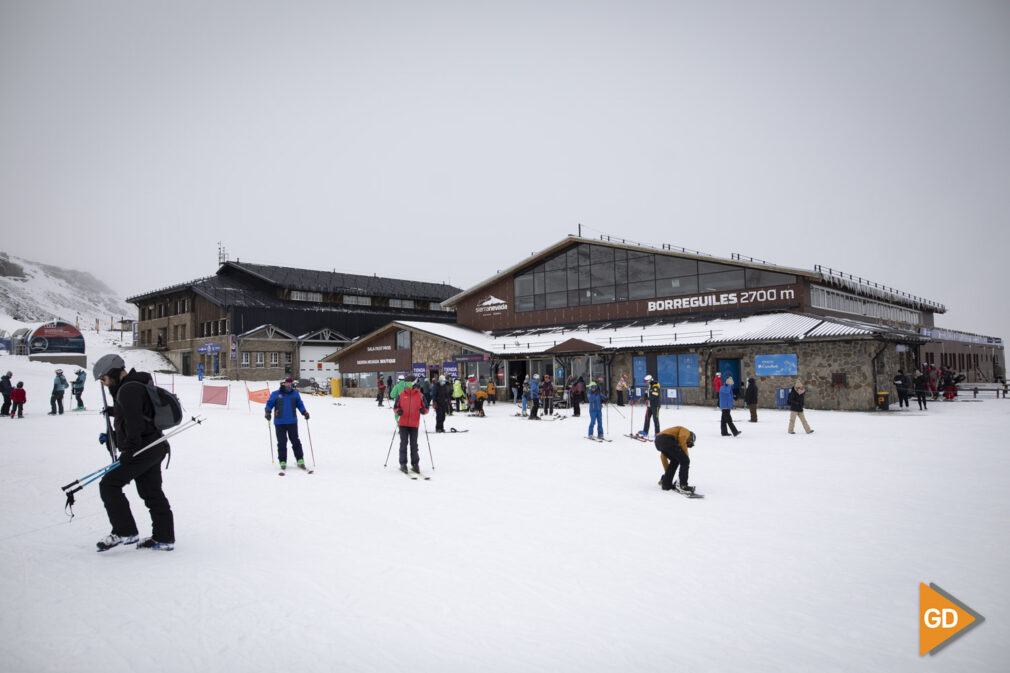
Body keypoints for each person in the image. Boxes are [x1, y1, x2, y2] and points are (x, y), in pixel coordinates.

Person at [93, 353, 175, 551]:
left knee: (109, 484)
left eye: (104, 379)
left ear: (112, 373)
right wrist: (115, 411)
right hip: (155, 446)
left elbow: (134, 422)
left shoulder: (128, 390)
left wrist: (129, 450)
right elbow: (138, 412)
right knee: (152, 492)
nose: (104, 384)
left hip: (142, 449)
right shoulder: (135, 385)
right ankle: (163, 537)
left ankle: (124, 530)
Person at [265, 377, 310, 470]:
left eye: (290, 383)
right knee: (282, 442)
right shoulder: (276, 394)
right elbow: (269, 404)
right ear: (283, 384)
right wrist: (268, 412)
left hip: (292, 422)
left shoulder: (295, 394)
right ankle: (282, 461)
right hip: (279, 422)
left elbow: (300, 404)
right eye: (287, 383)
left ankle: (300, 459)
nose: (289, 385)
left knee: (295, 441)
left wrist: (304, 412)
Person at [395, 378, 428, 474]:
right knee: (403, 443)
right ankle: (403, 463)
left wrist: (423, 410)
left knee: (414, 444)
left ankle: (415, 464)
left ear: (413, 384)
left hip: (414, 423)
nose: (406, 385)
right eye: (405, 383)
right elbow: (395, 407)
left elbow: (426, 407)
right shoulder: (401, 395)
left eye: (408, 383)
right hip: (403, 423)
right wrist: (398, 411)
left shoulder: (420, 395)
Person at [655, 426, 696, 494]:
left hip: (658, 441)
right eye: (688, 444)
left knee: (675, 460)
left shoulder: (674, 438)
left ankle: (666, 484)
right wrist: (686, 457)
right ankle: (682, 485)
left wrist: (667, 475)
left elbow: (663, 456)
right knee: (685, 460)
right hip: (666, 439)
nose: (687, 445)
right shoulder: (687, 432)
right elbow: (682, 437)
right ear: (691, 438)